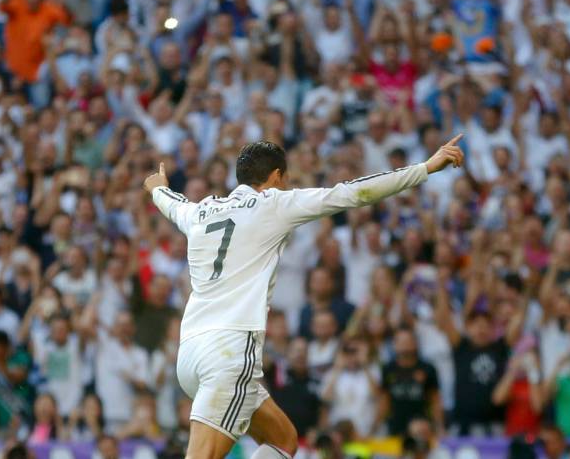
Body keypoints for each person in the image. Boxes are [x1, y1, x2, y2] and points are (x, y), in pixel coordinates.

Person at [142, 137, 464, 458]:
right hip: (229, 354)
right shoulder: (272, 204)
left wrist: (157, 187)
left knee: (283, 441)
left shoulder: (201, 211)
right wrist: (424, 168)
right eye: (288, 179)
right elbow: (352, 192)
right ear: (276, 177)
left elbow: (171, 203)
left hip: (190, 355)